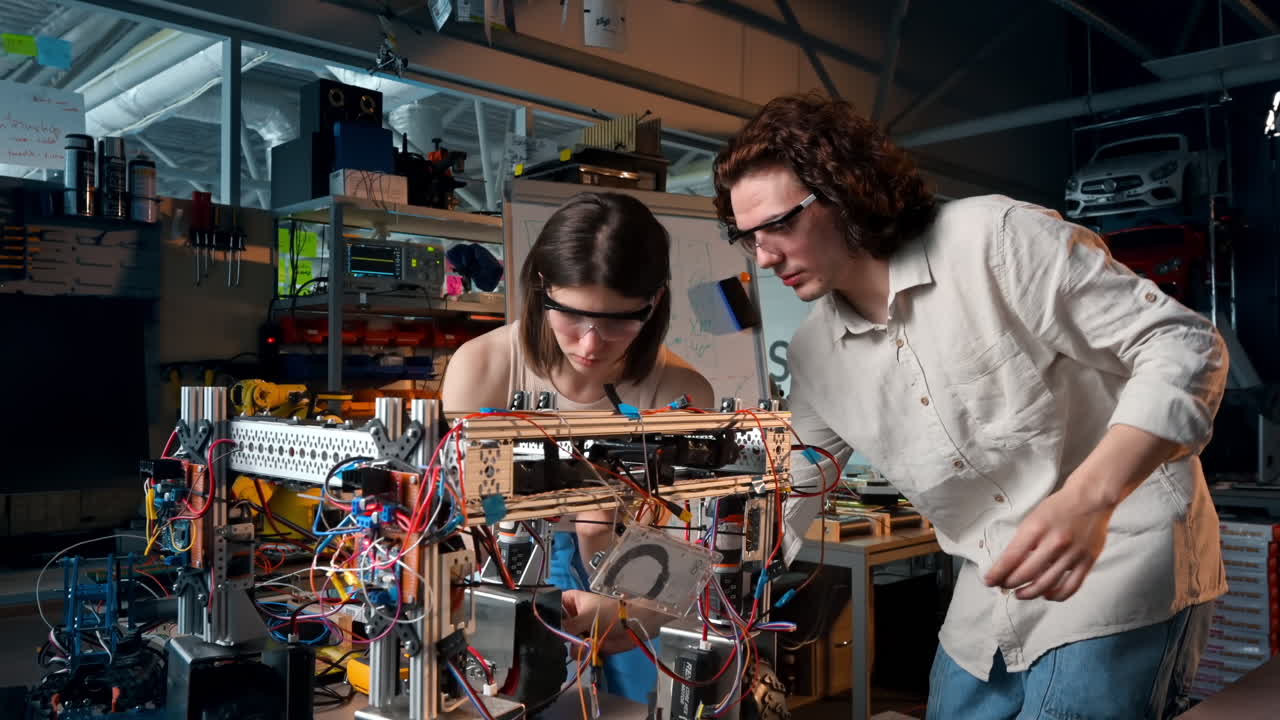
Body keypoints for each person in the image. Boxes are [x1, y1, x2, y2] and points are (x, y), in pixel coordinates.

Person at [713, 93, 1228, 719]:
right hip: (991, 587)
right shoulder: (817, 357)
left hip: (1119, 548)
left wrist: (1090, 496)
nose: (764, 256)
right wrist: (692, 576)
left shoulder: (994, 239)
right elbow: (792, 485)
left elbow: (1185, 346)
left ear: (844, 189)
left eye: (780, 224)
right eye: (748, 237)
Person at [441, 191, 715, 702]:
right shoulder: (482, 369)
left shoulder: (681, 396)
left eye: (618, 321)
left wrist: (606, 566)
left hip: (630, 583)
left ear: (653, 304)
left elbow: (678, 562)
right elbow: (469, 522)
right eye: (573, 316)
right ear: (542, 289)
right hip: (503, 579)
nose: (591, 344)